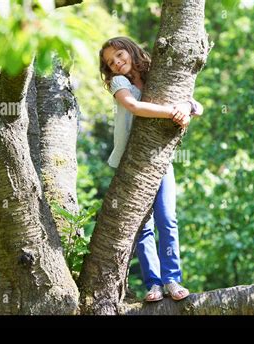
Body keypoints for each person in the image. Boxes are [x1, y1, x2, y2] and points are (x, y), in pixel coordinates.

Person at [99, 36, 203, 302]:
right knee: (143, 225)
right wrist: (172, 112)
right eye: (111, 63)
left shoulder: (156, 74)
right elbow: (134, 106)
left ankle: (172, 280)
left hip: (160, 158)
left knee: (167, 218)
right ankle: (153, 284)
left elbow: (197, 106)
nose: (117, 63)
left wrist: (185, 106)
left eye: (120, 55)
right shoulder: (118, 82)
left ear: (131, 50)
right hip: (130, 159)